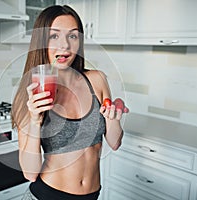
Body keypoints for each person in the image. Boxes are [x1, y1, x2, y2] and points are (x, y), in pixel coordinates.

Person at [11, 5, 125, 200]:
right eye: (54, 36)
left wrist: (113, 119)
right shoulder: (32, 94)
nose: (64, 45)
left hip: (92, 195)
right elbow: (30, 173)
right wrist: (34, 121)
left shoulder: (97, 80)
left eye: (72, 36)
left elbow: (114, 142)